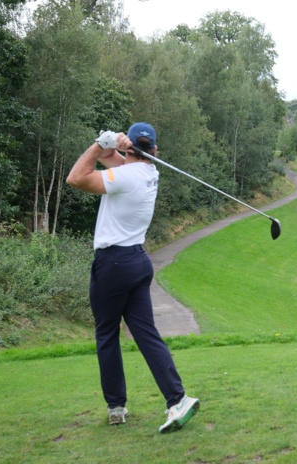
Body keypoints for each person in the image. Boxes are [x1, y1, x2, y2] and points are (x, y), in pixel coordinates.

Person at [66, 122, 199, 433]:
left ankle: (116, 406)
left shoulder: (125, 176)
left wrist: (101, 144)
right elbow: (112, 162)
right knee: (146, 334)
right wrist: (111, 147)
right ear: (154, 151)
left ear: (130, 150)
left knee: (107, 335)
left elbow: (76, 178)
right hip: (138, 261)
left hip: (113, 263)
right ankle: (176, 399)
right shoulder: (149, 173)